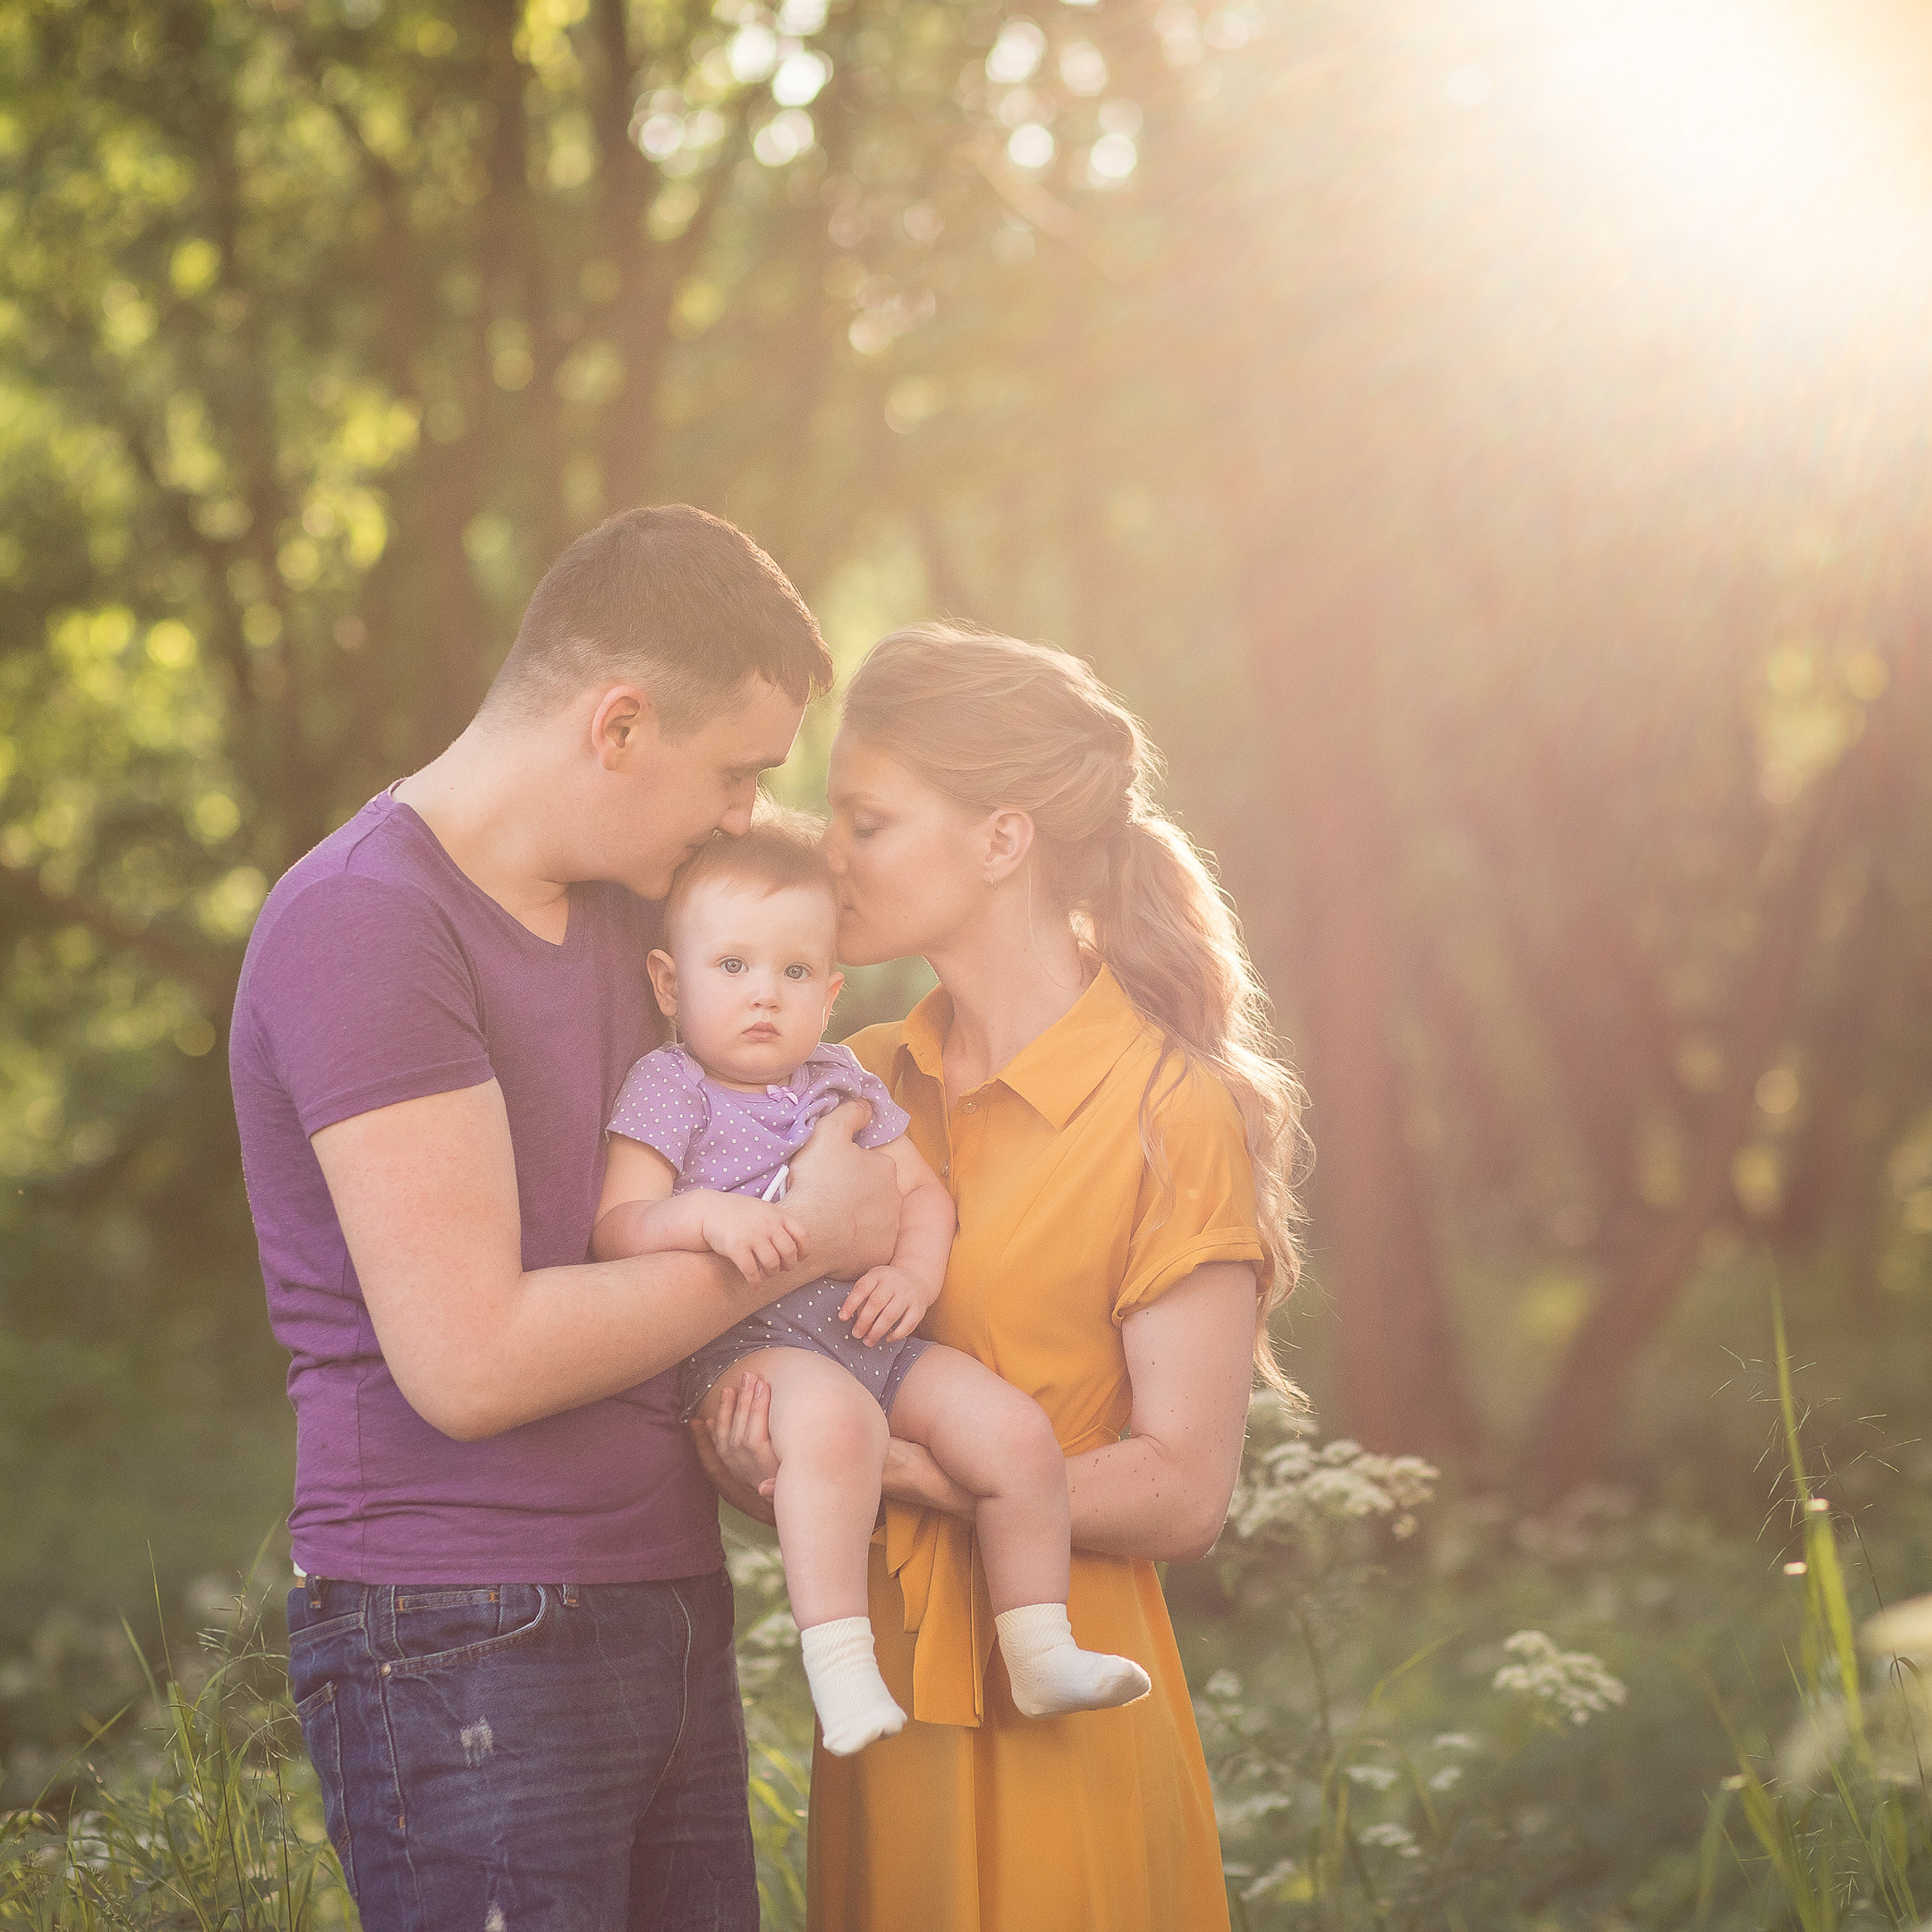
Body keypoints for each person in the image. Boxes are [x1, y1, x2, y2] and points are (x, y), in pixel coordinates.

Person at [228, 505, 905, 1932]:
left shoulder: (639, 921)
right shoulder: (366, 923)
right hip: (460, 1635)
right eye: (734, 773)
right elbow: (472, 1361)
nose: (743, 818)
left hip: (661, 1597)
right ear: (617, 726)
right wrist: (818, 1236)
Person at [697, 624, 1310, 1932]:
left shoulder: (1167, 1107)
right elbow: (771, 1384)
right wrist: (747, 1438)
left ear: (1001, 838)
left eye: (869, 821)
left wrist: (901, 1474)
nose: (831, 856)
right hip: (888, 1720)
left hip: (1067, 1708)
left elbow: (1183, 1485)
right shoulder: (846, 1083)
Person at [591, 813, 1152, 1756]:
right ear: (667, 981)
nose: (764, 994)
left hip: (868, 1330)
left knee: (1016, 1432)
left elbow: (920, 1195)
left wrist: (910, 1270)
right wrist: (709, 1218)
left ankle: (1040, 1645)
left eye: (794, 972)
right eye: (731, 967)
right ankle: (843, 1667)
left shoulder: (842, 1079)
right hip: (748, 1351)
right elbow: (618, 1231)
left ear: (831, 990)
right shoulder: (669, 1085)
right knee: (834, 1426)